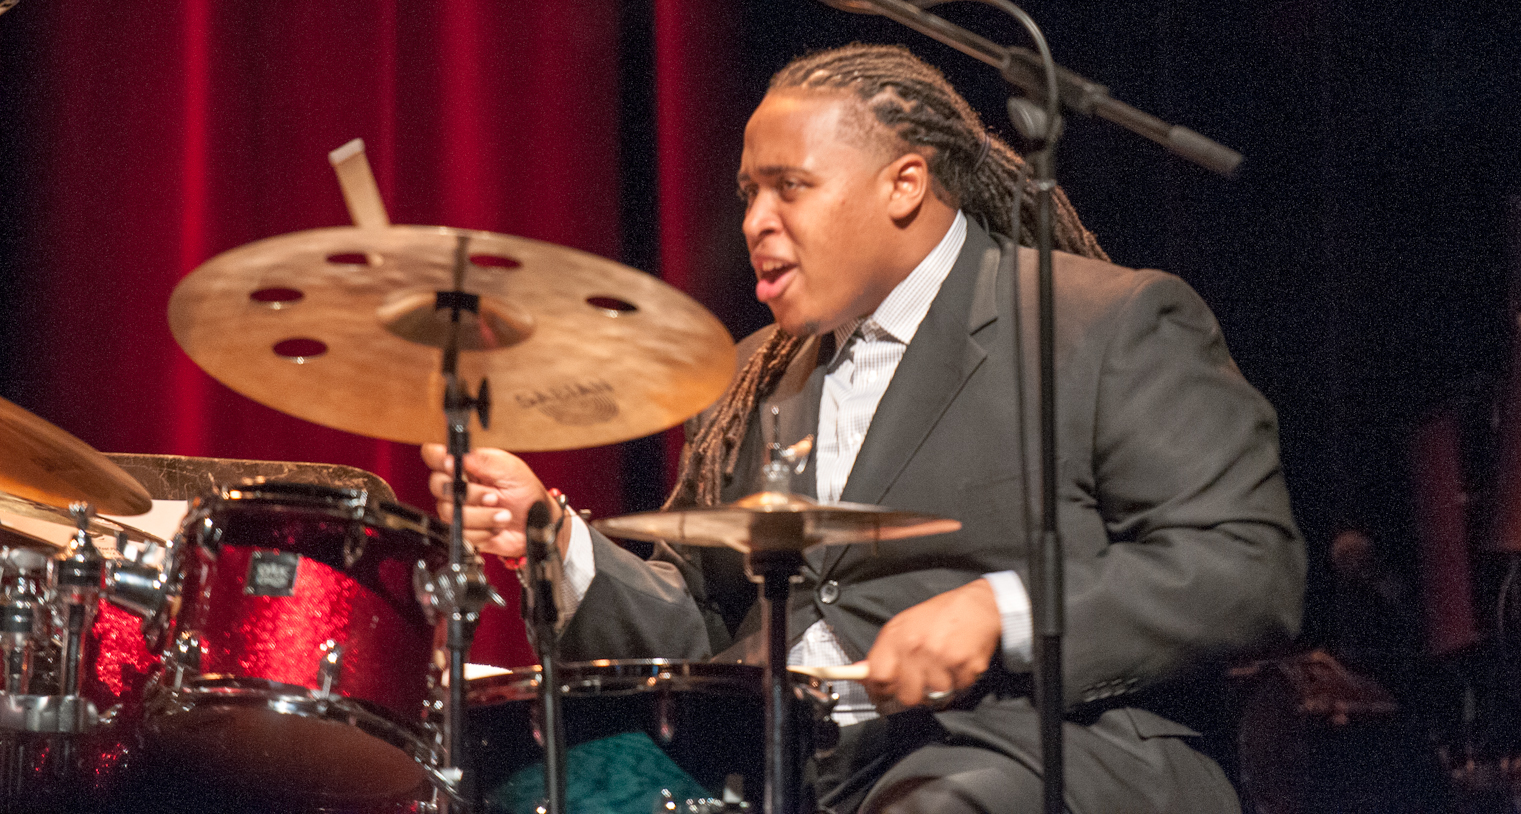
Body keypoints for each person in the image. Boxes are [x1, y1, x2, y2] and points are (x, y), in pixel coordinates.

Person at [423, 43, 1305, 813]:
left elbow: (1246, 564)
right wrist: (553, 539)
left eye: (790, 188)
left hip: (1046, 754)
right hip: (806, 775)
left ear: (905, 184)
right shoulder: (748, 377)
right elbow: (703, 635)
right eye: (747, 194)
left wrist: (1003, 611)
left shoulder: (1100, 322)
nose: (755, 221)